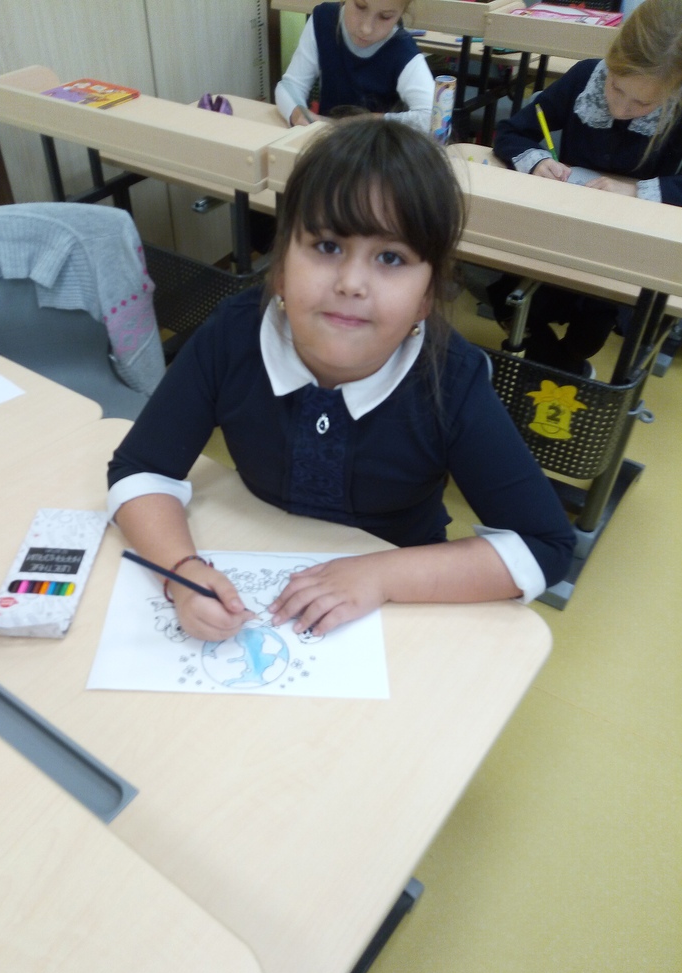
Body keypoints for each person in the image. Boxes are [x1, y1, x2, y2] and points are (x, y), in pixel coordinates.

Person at [108, 118, 575, 642]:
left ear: (426, 297)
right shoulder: (232, 337)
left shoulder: (451, 380)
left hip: (397, 601)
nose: (352, 283)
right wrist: (181, 571)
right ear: (280, 267)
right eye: (328, 246)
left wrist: (381, 575)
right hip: (259, 571)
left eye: (391, 258)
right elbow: (139, 469)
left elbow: (544, 546)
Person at [491, 0, 682, 376]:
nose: (621, 108)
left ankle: (558, 364)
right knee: (508, 302)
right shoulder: (584, 78)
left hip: (622, 249)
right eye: (616, 87)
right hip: (559, 234)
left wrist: (635, 192)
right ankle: (556, 366)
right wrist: (537, 161)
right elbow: (511, 131)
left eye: (642, 103)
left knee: (590, 333)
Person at [274, 0, 434, 130]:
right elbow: (290, 86)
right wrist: (297, 114)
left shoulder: (403, 50)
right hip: (325, 145)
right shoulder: (323, 20)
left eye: (385, 17)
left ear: (401, 13)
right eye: (360, 6)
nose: (366, 29)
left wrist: (362, 123)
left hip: (376, 151)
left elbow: (432, 118)